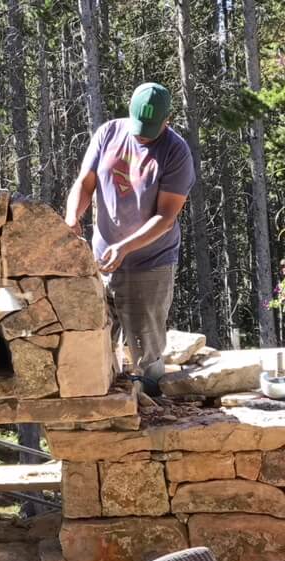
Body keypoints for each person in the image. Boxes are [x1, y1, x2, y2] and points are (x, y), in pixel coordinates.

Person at [66, 82, 196, 394]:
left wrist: (125, 246)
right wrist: (72, 217)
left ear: (168, 119)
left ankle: (151, 412)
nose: (142, 134)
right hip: (100, 259)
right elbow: (85, 183)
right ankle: (106, 413)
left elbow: (166, 216)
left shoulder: (176, 152)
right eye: (138, 126)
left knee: (145, 349)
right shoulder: (109, 133)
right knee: (96, 341)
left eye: (150, 129)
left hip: (150, 264)